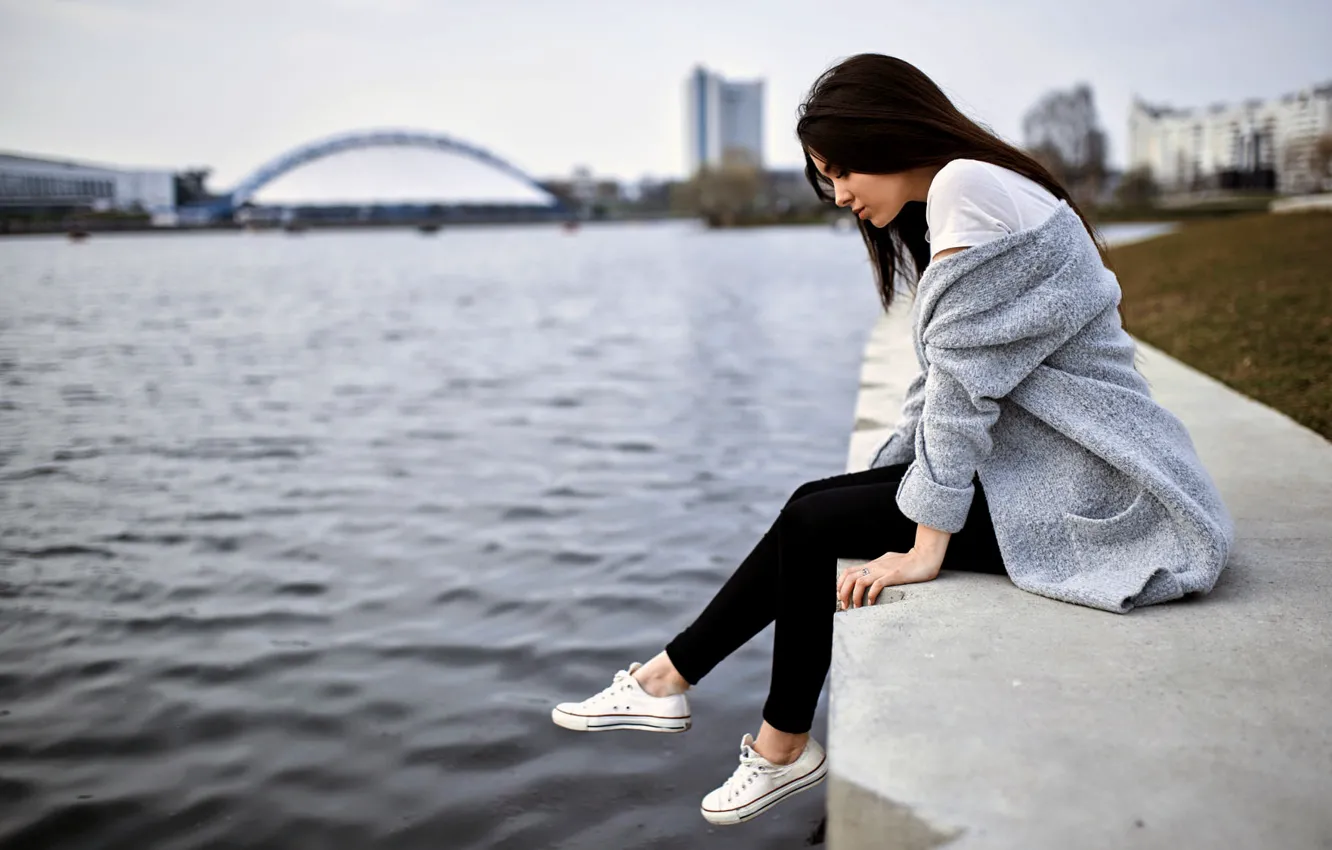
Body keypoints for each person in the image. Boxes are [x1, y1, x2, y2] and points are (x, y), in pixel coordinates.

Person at [550, 53, 1234, 827]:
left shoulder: (965, 188)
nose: (839, 195)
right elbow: (948, 374)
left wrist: (923, 542)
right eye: (826, 178)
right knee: (815, 506)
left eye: (841, 171)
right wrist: (890, 487)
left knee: (813, 521)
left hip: (1098, 494)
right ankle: (679, 688)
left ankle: (746, 727)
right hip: (1069, 466)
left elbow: (962, 388)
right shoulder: (980, 186)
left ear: (884, 133)